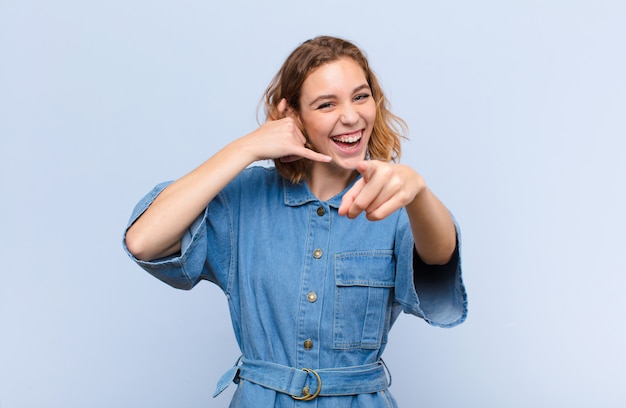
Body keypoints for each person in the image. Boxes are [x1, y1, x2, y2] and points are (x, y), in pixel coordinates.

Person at [123, 35, 467, 407]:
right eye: (325, 104)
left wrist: (420, 194)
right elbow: (144, 241)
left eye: (360, 96)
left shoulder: (396, 201)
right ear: (293, 116)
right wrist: (247, 147)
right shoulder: (243, 201)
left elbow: (439, 255)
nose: (350, 116)